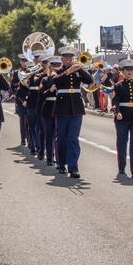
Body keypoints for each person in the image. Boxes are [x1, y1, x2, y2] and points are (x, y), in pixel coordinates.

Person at [44, 47, 93, 177]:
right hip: (62, 107)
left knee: (73, 138)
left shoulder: (79, 71)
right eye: (66, 57)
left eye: (71, 57)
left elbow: (89, 80)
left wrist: (80, 69)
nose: (69, 59)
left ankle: (73, 167)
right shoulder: (58, 71)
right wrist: (67, 72)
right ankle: (61, 163)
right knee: (62, 138)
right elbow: (53, 82)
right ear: (62, 59)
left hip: (76, 108)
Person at [112, 59, 133, 177]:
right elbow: (115, 100)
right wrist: (117, 111)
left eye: (131, 70)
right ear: (122, 72)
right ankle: (121, 166)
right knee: (122, 143)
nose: (129, 72)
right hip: (123, 117)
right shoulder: (118, 86)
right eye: (127, 70)